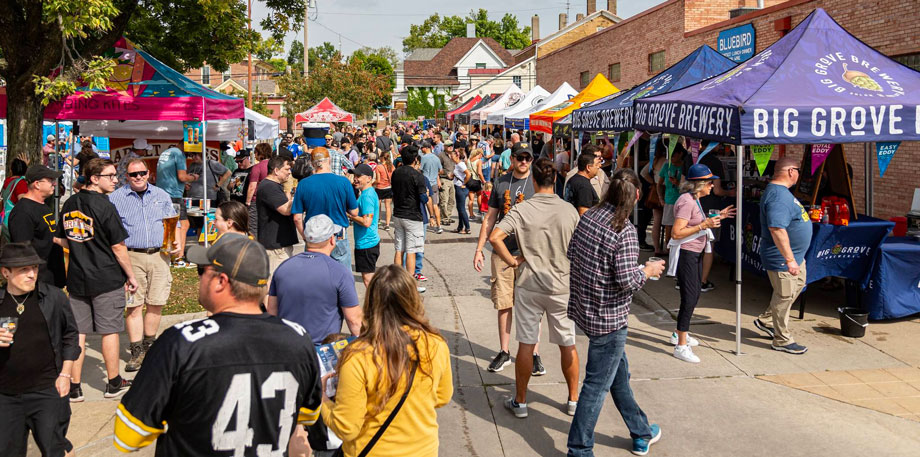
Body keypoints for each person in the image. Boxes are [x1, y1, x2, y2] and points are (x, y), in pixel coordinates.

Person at [114, 237, 324, 455]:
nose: (199, 279)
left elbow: (129, 434)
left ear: (221, 281)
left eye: (201, 271)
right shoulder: (299, 339)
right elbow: (308, 414)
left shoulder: (180, 343)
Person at [566, 168, 665, 457]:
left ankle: (641, 432)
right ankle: (579, 449)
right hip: (608, 319)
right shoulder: (625, 230)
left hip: (588, 311)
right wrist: (647, 270)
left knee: (617, 377)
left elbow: (573, 253)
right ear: (635, 195)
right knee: (596, 386)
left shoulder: (589, 218)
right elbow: (627, 281)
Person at [321, 265, 453, 457]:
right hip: (423, 450)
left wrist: (322, 399)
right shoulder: (436, 344)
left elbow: (346, 427)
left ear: (371, 302)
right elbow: (443, 396)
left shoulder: (358, 356)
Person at [489, 158, 580, 419]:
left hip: (530, 283)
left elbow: (495, 237)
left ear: (535, 181)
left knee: (526, 343)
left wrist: (512, 261)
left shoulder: (522, 209)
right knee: (567, 343)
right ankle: (573, 399)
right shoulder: (568, 211)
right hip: (562, 283)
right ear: (555, 181)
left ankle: (521, 400)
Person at [55, 158, 137, 402]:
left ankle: (74, 386)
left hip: (78, 277)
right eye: (110, 176)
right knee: (109, 330)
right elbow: (119, 246)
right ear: (94, 178)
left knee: (78, 333)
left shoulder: (70, 202)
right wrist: (131, 275)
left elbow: (60, 239)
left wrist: (82, 245)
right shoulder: (105, 205)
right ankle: (113, 383)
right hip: (106, 276)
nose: (115, 180)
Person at [0, 242, 80, 457]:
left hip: (46, 389)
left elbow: (71, 336)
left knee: (55, 448)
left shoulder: (53, 297)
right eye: (23, 270)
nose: (31, 274)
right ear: (5, 272)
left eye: (34, 268)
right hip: (6, 394)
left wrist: (65, 374)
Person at [473, 143, 543, 375]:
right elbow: (490, 217)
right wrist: (479, 248)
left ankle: (533, 353)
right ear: (512, 159)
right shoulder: (502, 182)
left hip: (529, 253)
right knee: (504, 304)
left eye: (527, 158)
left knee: (531, 306)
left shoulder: (538, 182)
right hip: (502, 252)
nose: (524, 162)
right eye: (520, 157)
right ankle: (504, 352)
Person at [109, 159, 181, 372]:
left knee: (156, 303)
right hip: (132, 256)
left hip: (160, 255)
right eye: (134, 174)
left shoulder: (161, 195)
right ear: (127, 177)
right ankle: (136, 351)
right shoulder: (116, 198)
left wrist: (177, 245)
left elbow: (173, 222)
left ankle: (149, 348)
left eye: (142, 173)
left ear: (149, 173)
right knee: (134, 305)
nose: (138, 177)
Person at [667, 164, 735, 363]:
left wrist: (716, 217)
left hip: (695, 253)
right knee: (689, 297)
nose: (713, 186)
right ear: (699, 184)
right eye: (710, 182)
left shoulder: (695, 200)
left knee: (694, 294)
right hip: (687, 254)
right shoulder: (687, 201)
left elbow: (694, 224)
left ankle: (680, 333)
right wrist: (705, 224)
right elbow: (676, 232)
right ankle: (680, 344)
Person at [267, 215, 362, 344]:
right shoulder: (340, 273)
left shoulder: (283, 268)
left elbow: (272, 311)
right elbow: (354, 320)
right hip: (322, 352)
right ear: (331, 240)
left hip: (287, 347)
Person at [753, 157, 811, 355]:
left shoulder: (782, 193)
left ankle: (767, 320)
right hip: (782, 258)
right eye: (798, 169)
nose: (799, 173)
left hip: (795, 256)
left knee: (795, 288)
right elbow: (777, 228)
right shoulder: (778, 196)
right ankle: (782, 339)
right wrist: (789, 260)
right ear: (790, 171)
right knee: (784, 296)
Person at [292, 147, 359, 271]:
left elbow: (297, 217)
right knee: (342, 274)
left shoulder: (303, 184)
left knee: (314, 275)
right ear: (329, 161)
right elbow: (354, 212)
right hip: (337, 233)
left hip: (313, 235)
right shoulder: (343, 182)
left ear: (312, 164)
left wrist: (304, 236)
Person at [8, 165, 67, 288]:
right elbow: (23, 250)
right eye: (50, 180)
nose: (54, 184)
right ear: (37, 184)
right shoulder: (22, 212)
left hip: (52, 279)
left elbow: (49, 238)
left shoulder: (43, 206)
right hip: (38, 283)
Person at [256, 156, 297, 281]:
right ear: (276, 170)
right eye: (286, 169)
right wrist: (299, 197)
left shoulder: (273, 185)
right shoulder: (269, 187)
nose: (289, 172)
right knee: (274, 283)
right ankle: (267, 301)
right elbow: (285, 210)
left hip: (279, 244)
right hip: (275, 246)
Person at [390, 145, 428, 274]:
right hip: (412, 215)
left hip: (398, 213)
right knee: (412, 250)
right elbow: (424, 198)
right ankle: (410, 282)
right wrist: (426, 195)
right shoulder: (417, 175)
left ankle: (397, 279)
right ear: (416, 159)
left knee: (399, 248)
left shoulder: (396, 172)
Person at [156, 145, 197, 264]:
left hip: (163, 193)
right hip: (173, 195)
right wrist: (193, 177)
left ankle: (172, 255)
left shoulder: (166, 152)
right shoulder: (179, 154)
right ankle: (179, 257)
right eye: (193, 153)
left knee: (170, 225)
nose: (192, 156)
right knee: (183, 225)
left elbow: (170, 176)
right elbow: (182, 176)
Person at [348, 165, 380, 288]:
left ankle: (377, 305)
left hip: (367, 243)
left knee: (368, 280)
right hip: (366, 242)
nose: (355, 179)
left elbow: (367, 222)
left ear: (369, 178)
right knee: (368, 279)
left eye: (358, 176)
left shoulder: (367, 196)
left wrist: (350, 215)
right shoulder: (366, 193)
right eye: (355, 176)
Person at [657, 148, 684, 251]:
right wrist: (660, 198)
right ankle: (669, 252)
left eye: (674, 156)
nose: (671, 158)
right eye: (670, 156)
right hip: (669, 201)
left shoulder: (685, 166)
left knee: (681, 229)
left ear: (680, 154)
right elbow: (659, 184)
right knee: (668, 231)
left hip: (682, 201)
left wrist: (678, 183)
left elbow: (689, 186)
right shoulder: (666, 166)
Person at [246, 143, 274, 238]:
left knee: (253, 227)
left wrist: (248, 202)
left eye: (255, 153)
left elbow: (252, 187)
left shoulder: (257, 167)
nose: (254, 155)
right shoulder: (275, 165)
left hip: (257, 200)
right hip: (272, 199)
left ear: (260, 153)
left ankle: (255, 248)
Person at [565, 151, 602, 216]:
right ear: (588, 167)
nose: (599, 166)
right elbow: (583, 214)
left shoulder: (573, 179)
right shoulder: (584, 186)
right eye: (596, 164)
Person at [419, 140, 443, 234]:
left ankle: (429, 219)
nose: (421, 149)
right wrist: (435, 174)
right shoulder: (436, 158)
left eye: (422, 148)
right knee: (435, 205)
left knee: (425, 203)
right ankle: (439, 226)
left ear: (426, 148)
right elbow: (441, 170)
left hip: (426, 183)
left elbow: (420, 170)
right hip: (434, 183)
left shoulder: (423, 158)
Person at [1, 158, 30, 225]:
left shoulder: (7, 181)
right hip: (16, 222)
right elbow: (23, 203)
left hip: (5, 220)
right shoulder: (21, 183)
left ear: (11, 170)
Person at [437, 141, 457, 226]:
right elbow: (438, 169)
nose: (450, 147)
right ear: (444, 146)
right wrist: (445, 173)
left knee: (452, 200)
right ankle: (444, 218)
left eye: (451, 145)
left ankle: (448, 216)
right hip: (444, 179)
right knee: (444, 200)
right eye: (448, 146)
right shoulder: (441, 155)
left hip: (453, 180)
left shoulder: (454, 154)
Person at [374, 152, 394, 230]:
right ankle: (387, 224)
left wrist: (372, 183)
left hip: (380, 188)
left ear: (382, 157)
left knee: (377, 206)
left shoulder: (379, 167)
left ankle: (377, 221)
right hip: (388, 187)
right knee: (388, 207)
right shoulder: (392, 166)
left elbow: (378, 180)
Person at [466, 148, 484, 221]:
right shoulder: (479, 161)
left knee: (471, 199)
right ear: (479, 154)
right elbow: (479, 172)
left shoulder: (468, 160)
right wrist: (483, 180)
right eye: (482, 155)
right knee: (479, 195)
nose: (482, 156)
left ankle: (471, 214)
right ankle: (480, 211)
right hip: (476, 180)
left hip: (469, 180)